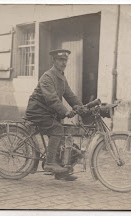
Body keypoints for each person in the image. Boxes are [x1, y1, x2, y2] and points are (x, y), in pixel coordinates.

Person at [25, 49, 84, 181]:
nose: (64, 63)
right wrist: (66, 111)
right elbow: (51, 99)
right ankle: (50, 163)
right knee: (57, 129)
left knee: (63, 133)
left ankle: (61, 171)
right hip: (37, 111)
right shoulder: (47, 76)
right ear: (54, 60)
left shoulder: (61, 76)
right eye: (61, 60)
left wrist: (81, 107)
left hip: (48, 112)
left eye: (65, 60)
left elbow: (69, 95)